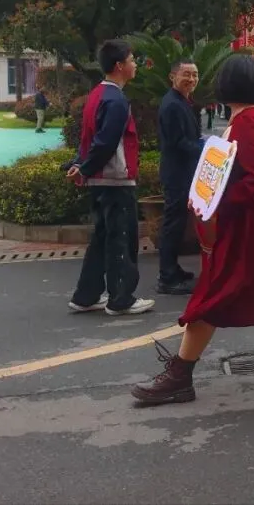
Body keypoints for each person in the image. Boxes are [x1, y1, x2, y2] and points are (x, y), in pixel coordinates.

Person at [131, 54, 254, 406]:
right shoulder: (251, 117)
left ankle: (180, 374)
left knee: (214, 292)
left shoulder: (248, 122)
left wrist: (216, 203)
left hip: (248, 225)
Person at [66, 40, 155, 316]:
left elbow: (89, 139)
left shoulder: (97, 95)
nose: (135, 64)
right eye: (132, 60)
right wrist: (85, 167)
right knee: (121, 238)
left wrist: (81, 165)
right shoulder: (116, 99)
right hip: (115, 180)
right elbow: (105, 142)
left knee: (102, 238)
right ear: (119, 66)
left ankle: (86, 295)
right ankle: (121, 299)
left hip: (101, 181)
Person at [155, 59, 204, 295]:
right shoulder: (172, 105)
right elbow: (179, 143)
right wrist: (208, 149)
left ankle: (173, 269)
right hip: (177, 173)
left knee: (178, 223)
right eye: (186, 74)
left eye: (195, 75)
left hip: (184, 171)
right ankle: (166, 277)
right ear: (172, 76)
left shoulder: (183, 101)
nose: (192, 79)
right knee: (173, 225)